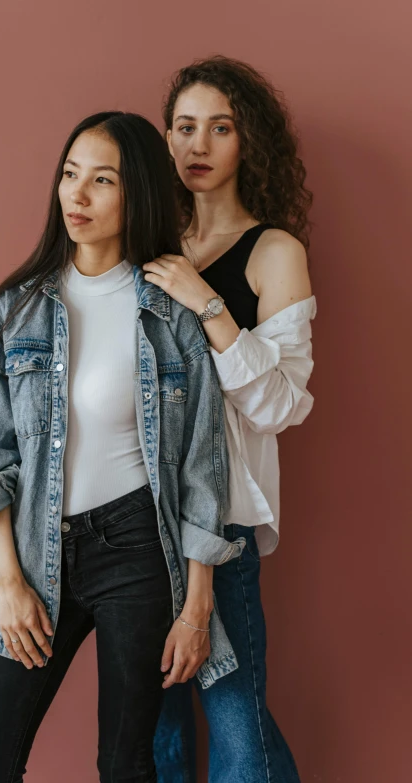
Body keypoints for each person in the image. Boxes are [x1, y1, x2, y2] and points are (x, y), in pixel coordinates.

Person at [0, 110, 244, 783]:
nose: (76, 195)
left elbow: (202, 467)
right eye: (69, 174)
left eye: (102, 180)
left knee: (123, 762)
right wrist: (7, 579)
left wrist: (197, 604)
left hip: (138, 550)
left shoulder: (170, 315)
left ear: (136, 190)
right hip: (37, 550)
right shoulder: (16, 309)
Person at [148, 57, 316, 783]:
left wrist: (205, 302)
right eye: (185, 127)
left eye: (221, 128)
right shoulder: (145, 241)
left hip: (223, 516)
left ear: (249, 142)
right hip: (138, 512)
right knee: (157, 729)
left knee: (235, 718)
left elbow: (281, 404)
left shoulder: (274, 251)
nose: (199, 144)